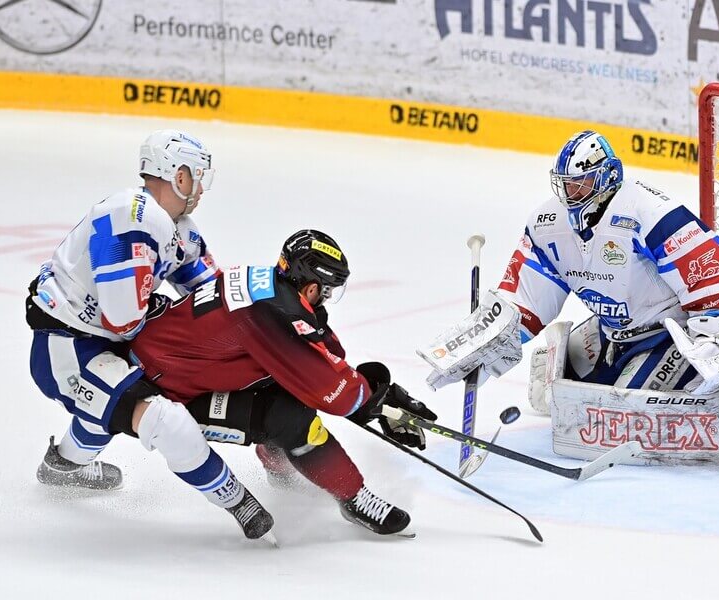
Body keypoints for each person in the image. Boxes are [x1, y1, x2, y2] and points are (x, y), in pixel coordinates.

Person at [419, 130, 719, 472]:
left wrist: (709, 335)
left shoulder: (648, 212)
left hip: (676, 333)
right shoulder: (546, 224)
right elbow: (528, 299)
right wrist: (490, 340)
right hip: (614, 332)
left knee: (627, 420)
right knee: (557, 394)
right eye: (566, 185)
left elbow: (709, 267)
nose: (572, 194)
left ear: (605, 177)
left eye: (581, 184)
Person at [25, 130, 274, 540]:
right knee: (164, 420)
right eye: (196, 177)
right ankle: (238, 501)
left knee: (107, 408)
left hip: (103, 342)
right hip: (65, 348)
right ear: (178, 176)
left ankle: (62, 466)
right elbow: (125, 319)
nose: (200, 190)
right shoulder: (134, 218)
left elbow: (212, 296)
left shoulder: (175, 228)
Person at [126, 229, 438, 536]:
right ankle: (353, 497)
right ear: (312, 286)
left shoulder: (271, 286)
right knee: (290, 418)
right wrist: (375, 402)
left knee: (288, 389)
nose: (327, 298)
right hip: (167, 393)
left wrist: (376, 393)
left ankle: (281, 467)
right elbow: (331, 392)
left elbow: (325, 356)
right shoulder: (272, 317)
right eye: (327, 290)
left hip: (176, 363)